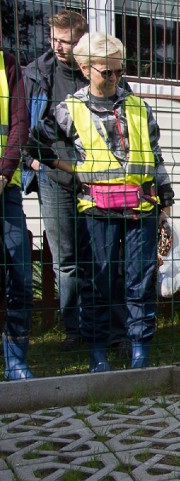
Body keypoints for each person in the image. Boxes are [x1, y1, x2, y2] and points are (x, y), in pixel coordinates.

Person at [29, 32, 174, 372]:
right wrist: (73, 170)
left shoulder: (138, 107)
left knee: (139, 280)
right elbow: (36, 146)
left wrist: (166, 199)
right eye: (104, 72)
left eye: (118, 72)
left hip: (141, 207)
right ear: (84, 68)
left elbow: (155, 156)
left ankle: (141, 351)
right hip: (96, 210)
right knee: (99, 282)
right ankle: (98, 354)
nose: (112, 79)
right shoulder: (69, 109)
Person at [23, 10, 131, 353]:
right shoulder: (37, 74)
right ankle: (74, 329)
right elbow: (24, 123)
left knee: (107, 257)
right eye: (54, 38)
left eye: (66, 41)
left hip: (99, 181)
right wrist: (35, 162)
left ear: (82, 43)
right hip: (54, 177)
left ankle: (112, 329)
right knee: (66, 258)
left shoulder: (105, 74)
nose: (58, 46)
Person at [0, 48, 32, 380]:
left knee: (20, 275)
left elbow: (19, 124)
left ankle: (15, 359)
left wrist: (3, 172)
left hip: (5, 189)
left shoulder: (7, 64)